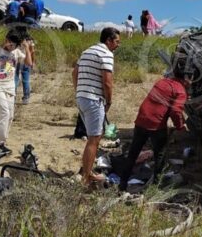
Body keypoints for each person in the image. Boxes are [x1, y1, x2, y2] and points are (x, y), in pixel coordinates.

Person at [119, 61, 190, 191]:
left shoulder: (161, 82)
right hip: (156, 125)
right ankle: (156, 187)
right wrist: (181, 126)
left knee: (133, 154)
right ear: (186, 78)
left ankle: (122, 184)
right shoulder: (180, 91)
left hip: (141, 119)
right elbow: (175, 111)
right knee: (160, 155)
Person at [73, 27, 120, 185]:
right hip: (94, 99)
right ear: (108, 40)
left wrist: (79, 90)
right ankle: (88, 175)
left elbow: (75, 72)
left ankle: (87, 170)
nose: (118, 45)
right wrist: (109, 101)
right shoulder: (106, 54)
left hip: (82, 97)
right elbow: (107, 81)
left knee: (94, 136)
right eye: (117, 41)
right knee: (94, 139)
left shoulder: (87, 51)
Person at [0, 29, 33, 157]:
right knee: (3, 113)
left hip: (10, 88)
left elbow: (28, 63)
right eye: (10, 44)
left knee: (10, 116)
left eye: (14, 46)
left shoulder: (16, 52)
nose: (11, 47)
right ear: (6, 39)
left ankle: (2, 144)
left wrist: (27, 48)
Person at [14, 27, 36, 105]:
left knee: (15, 79)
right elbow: (32, 51)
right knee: (26, 80)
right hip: (27, 60)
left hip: (16, 61)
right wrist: (33, 62)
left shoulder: (16, 39)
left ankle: (13, 97)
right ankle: (26, 98)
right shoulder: (30, 40)